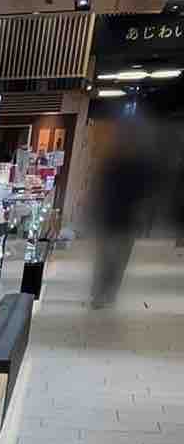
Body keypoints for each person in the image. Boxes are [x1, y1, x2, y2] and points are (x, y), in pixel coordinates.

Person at [90, 124, 157, 307]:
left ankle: (104, 293)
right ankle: (104, 293)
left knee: (112, 258)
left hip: (121, 219)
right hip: (118, 219)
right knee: (112, 258)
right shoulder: (124, 165)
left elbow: (144, 196)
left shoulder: (125, 166)